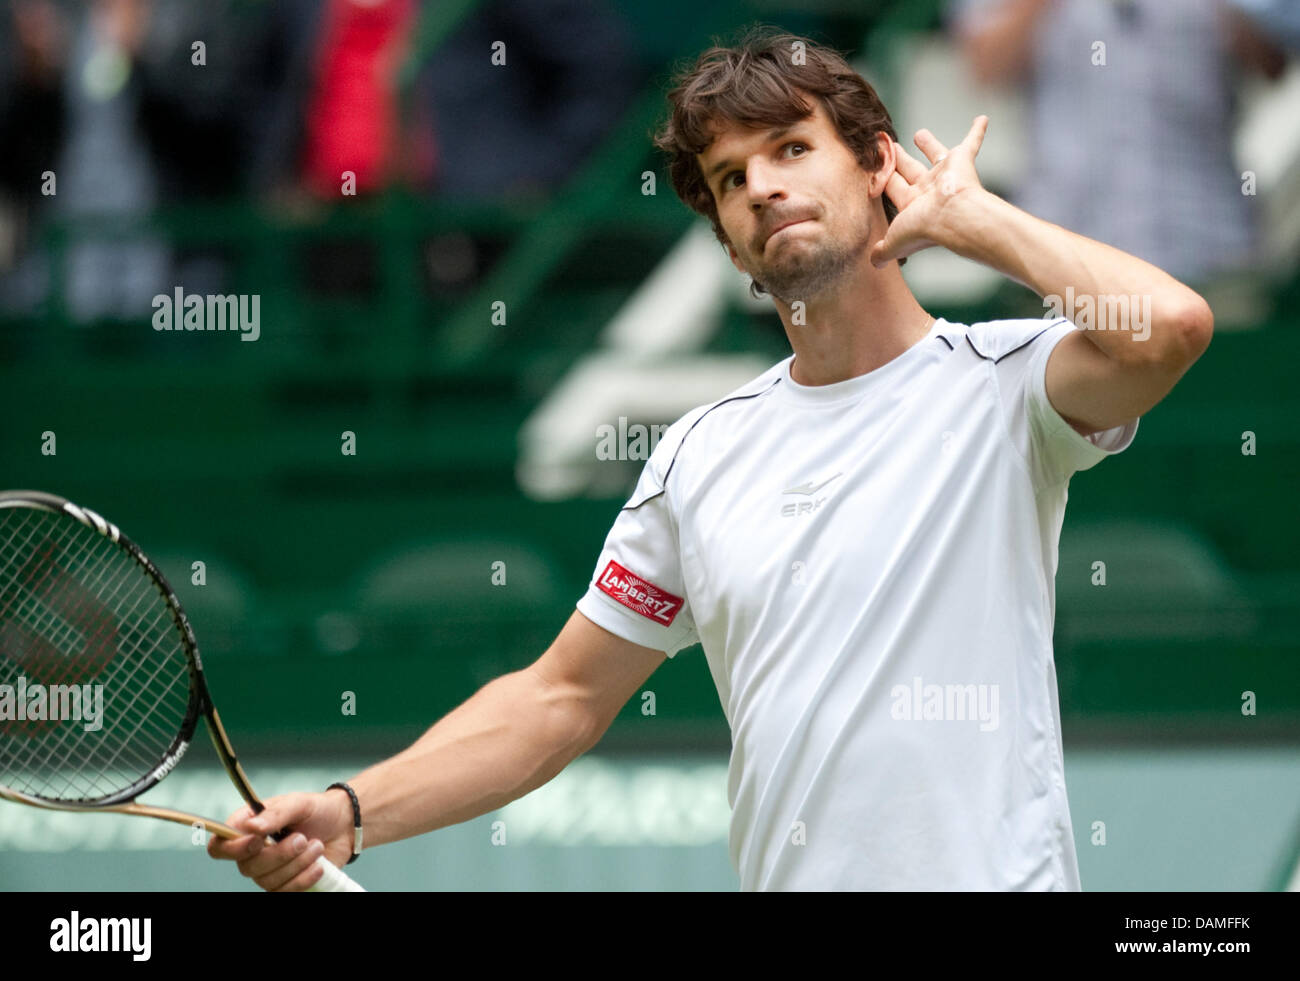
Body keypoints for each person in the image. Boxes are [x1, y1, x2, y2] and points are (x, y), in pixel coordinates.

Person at [208, 26, 1213, 891]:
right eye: (732, 180)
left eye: (790, 148)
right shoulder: (699, 456)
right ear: (730, 245)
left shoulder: (1002, 384)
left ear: (876, 166)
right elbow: (561, 698)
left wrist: (978, 223)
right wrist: (352, 809)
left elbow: (1169, 327)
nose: (763, 187)